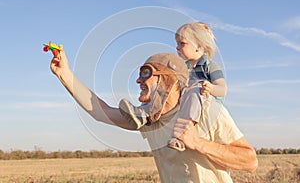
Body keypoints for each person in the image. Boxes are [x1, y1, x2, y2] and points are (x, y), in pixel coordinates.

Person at [49, 50, 257, 182]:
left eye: (146, 73)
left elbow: (250, 161)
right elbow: (100, 111)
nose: (138, 80)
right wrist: (64, 74)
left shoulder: (206, 108)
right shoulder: (148, 119)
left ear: (170, 80)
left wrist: (198, 143)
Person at [120, 22, 228, 151]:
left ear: (198, 46)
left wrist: (211, 88)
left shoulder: (210, 66)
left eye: (182, 43)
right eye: (177, 44)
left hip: (205, 104)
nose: (177, 47)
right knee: (161, 86)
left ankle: (181, 134)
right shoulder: (184, 67)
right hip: (187, 101)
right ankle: (143, 114)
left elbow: (223, 89)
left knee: (195, 90)